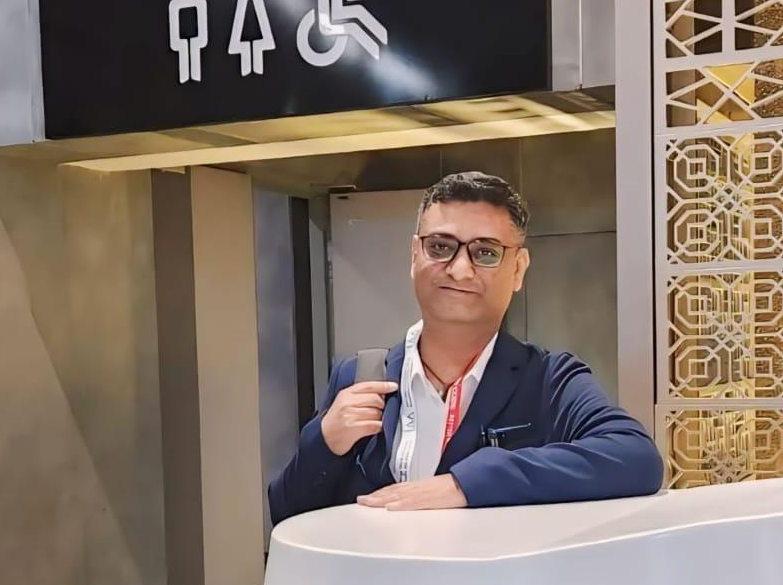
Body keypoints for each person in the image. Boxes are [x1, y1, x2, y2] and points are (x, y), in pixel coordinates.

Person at [269, 171, 663, 522]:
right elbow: (286, 511)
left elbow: (635, 458)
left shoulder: (548, 380)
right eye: (440, 247)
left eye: (485, 253)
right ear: (414, 255)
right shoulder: (360, 376)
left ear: (518, 269)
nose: (459, 269)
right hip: (378, 582)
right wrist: (324, 441)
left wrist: (464, 485)